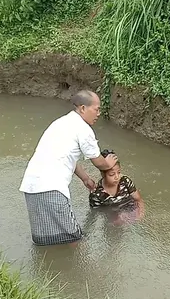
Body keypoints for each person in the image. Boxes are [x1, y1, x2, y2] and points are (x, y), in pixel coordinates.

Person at [19, 90, 118, 246]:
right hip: (51, 188)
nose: (99, 113)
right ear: (83, 108)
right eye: (96, 109)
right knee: (75, 240)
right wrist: (109, 163)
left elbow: (66, 156)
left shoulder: (60, 123)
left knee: (46, 240)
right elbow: (98, 161)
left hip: (31, 187)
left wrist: (85, 178)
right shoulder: (84, 129)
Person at [89, 149, 145, 223]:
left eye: (118, 172)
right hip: (113, 219)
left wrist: (140, 213)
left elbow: (138, 199)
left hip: (130, 211)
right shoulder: (97, 194)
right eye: (112, 174)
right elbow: (96, 214)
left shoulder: (125, 181)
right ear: (102, 174)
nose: (117, 177)